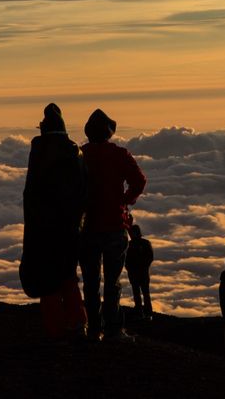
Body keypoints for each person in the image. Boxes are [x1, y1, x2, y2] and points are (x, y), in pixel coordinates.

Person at [19, 103, 87, 340]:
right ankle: (78, 322)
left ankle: (55, 330)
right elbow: (82, 192)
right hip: (70, 228)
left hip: (43, 229)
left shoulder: (40, 153)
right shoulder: (75, 153)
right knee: (67, 273)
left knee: (47, 279)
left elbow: (33, 195)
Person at [80, 109, 146, 342]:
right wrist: (125, 201)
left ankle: (92, 328)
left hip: (86, 227)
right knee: (112, 282)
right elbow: (139, 181)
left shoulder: (80, 155)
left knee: (90, 282)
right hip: (115, 226)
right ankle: (113, 330)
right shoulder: (119, 155)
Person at [125, 223, 154, 320]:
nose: (131, 234)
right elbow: (126, 260)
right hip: (134, 273)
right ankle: (139, 311)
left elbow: (150, 257)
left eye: (132, 232)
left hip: (142, 273)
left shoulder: (145, 243)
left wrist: (143, 266)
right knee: (136, 293)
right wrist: (129, 268)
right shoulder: (129, 245)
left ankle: (148, 313)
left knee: (145, 293)